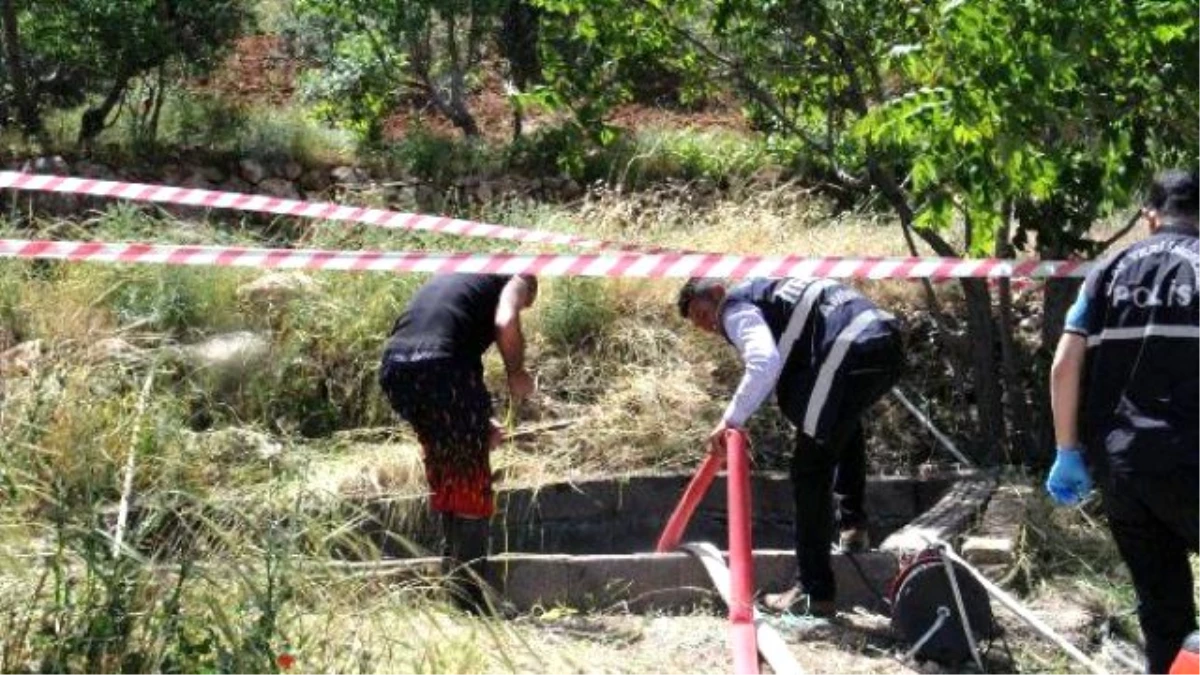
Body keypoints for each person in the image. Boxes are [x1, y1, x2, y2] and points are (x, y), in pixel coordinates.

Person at [1047, 169, 1200, 675]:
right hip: (1192, 456)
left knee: (1163, 615)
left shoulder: (1107, 270)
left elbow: (1066, 363)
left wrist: (1066, 450)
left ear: (1150, 217)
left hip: (1123, 467)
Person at [677, 276, 904, 616]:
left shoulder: (735, 307)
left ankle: (814, 592)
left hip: (849, 349)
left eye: (704, 314)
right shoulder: (772, 293)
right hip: (885, 342)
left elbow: (763, 362)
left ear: (718, 294)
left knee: (809, 471)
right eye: (700, 325)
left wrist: (730, 420)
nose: (710, 326)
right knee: (840, 423)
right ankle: (853, 525)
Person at [379, 273, 537, 614]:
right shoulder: (516, 276)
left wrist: (478, 421)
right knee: (469, 482)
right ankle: (470, 602)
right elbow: (506, 321)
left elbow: (443, 335)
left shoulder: (458, 276)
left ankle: (453, 592)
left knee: (449, 471)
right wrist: (516, 373)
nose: (525, 305)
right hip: (443, 366)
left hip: (396, 367)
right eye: (529, 302)